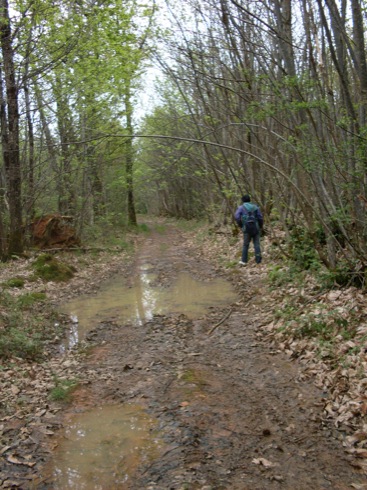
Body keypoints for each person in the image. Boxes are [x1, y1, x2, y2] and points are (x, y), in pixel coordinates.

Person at [234, 194, 263, 265]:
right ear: (250, 200)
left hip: (246, 229)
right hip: (255, 228)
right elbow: (260, 218)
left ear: (243, 201)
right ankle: (258, 261)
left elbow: (237, 217)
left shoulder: (241, 208)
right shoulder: (255, 207)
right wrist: (260, 226)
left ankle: (244, 261)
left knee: (245, 245)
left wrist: (241, 225)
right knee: (257, 244)